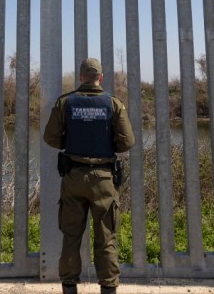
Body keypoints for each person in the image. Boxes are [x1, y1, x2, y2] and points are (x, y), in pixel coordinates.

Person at [43, 57, 135, 294]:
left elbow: (50, 138)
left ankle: (70, 288)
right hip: (103, 179)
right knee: (106, 238)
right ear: (100, 78)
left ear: (81, 77)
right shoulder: (113, 104)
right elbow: (127, 142)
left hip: (73, 177)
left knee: (71, 236)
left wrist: (71, 142)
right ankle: (108, 289)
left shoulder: (65, 102)